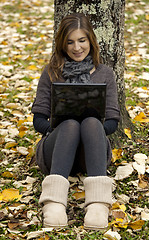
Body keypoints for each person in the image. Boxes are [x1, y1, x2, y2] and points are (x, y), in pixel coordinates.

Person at [32, 12, 120, 230]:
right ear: (63, 44)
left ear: (91, 40)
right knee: (70, 125)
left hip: (91, 151)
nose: (77, 47)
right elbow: (38, 120)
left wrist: (91, 129)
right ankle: (54, 204)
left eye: (82, 40)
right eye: (70, 42)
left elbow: (113, 122)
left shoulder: (105, 74)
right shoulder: (52, 71)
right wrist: (60, 130)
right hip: (56, 149)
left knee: (91, 122)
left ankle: (98, 205)